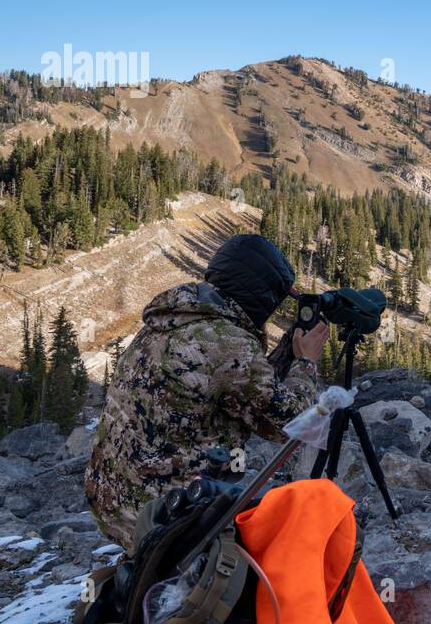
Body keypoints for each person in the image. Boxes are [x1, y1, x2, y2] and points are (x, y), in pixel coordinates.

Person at [86, 234, 329, 549]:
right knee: (286, 539)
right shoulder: (227, 344)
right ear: (260, 295)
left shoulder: (177, 316)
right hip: (159, 517)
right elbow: (293, 424)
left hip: (109, 500)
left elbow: (242, 391)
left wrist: (287, 352)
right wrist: (306, 362)